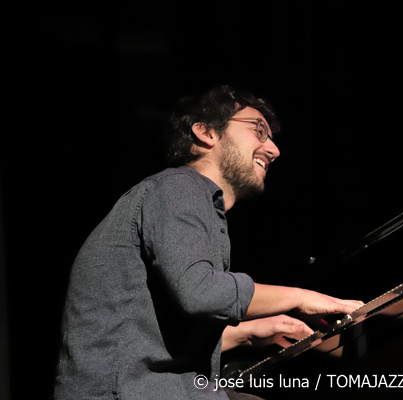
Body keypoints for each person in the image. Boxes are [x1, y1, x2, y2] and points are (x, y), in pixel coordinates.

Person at [54, 86, 362, 399]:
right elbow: (200, 292)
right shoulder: (178, 187)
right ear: (206, 133)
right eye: (259, 130)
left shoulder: (186, 199)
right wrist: (300, 297)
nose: (273, 149)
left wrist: (244, 333)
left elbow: (144, 336)